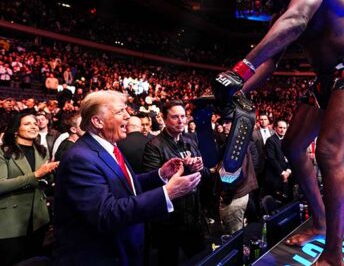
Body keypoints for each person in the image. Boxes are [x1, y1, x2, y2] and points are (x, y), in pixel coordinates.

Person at [212, 0, 344, 264]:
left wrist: (240, 69)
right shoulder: (279, 16)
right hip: (329, 77)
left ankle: (333, 256)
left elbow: (298, 19)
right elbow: (269, 63)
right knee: (292, 146)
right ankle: (320, 222)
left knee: (328, 152)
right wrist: (235, 90)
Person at [53, 91, 201, 266]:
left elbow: (124, 185)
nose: (128, 116)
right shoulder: (80, 158)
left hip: (124, 249)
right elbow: (106, 213)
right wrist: (166, 193)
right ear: (97, 121)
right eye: (120, 112)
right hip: (103, 256)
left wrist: (159, 175)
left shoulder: (109, 147)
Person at [142, 100, 206, 266]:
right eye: (175, 117)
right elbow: (151, 184)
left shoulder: (190, 141)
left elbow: (203, 175)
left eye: (183, 116)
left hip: (194, 217)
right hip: (169, 221)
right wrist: (184, 168)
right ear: (164, 119)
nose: (181, 121)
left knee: (201, 259)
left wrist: (199, 166)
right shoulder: (154, 146)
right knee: (168, 260)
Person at [0, 112, 59, 265]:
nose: (33, 126)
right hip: (11, 223)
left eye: (34, 123)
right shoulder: (3, 152)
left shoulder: (42, 151)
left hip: (38, 220)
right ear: (15, 130)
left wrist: (51, 175)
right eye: (27, 124)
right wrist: (36, 175)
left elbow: (45, 181)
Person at [217, 117, 258, 234]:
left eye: (228, 122)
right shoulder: (238, 140)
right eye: (223, 122)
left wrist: (226, 197)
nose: (224, 125)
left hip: (234, 198)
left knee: (233, 237)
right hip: (239, 195)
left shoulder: (236, 144)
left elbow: (236, 177)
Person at [264, 119, 292, 202]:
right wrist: (282, 173)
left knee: (286, 200)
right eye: (280, 127)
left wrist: (289, 170)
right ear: (275, 128)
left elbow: (290, 157)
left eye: (284, 128)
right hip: (275, 176)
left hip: (287, 174)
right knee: (276, 201)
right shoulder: (270, 140)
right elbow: (271, 159)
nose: (282, 130)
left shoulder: (288, 140)